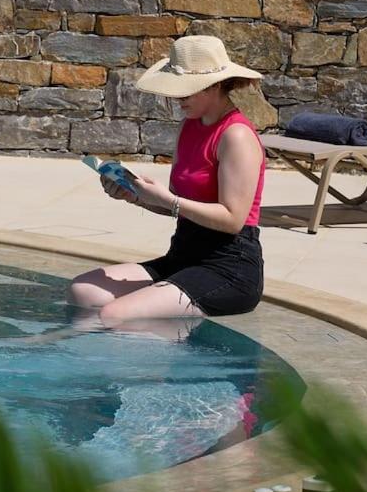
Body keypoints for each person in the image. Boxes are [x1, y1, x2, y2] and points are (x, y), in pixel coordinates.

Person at [69, 35, 266, 325]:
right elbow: (179, 205)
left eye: (184, 92)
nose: (176, 99)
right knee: (83, 291)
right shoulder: (189, 127)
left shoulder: (236, 136)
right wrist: (136, 196)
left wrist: (169, 201)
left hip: (229, 268)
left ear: (213, 85)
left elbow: (233, 219)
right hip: (183, 256)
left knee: (115, 315)